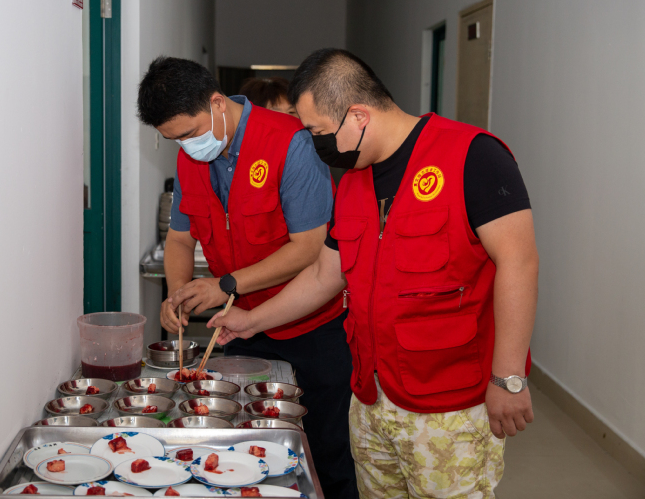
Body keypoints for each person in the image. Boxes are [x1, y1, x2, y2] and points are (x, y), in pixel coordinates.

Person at [209, 48, 539, 499]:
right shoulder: (354, 182)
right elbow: (325, 275)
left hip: (449, 405)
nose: (317, 145)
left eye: (318, 132)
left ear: (359, 116)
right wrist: (250, 320)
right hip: (370, 399)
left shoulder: (472, 156)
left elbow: (519, 264)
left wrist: (508, 378)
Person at [136, 56, 359, 499]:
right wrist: (178, 294)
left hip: (311, 326)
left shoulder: (290, 142)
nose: (186, 146)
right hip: (243, 328)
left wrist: (225, 284)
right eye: (174, 140)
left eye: (189, 133)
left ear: (218, 103)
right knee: (247, 451)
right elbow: (179, 240)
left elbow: (309, 246)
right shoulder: (191, 158)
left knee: (325, 455)